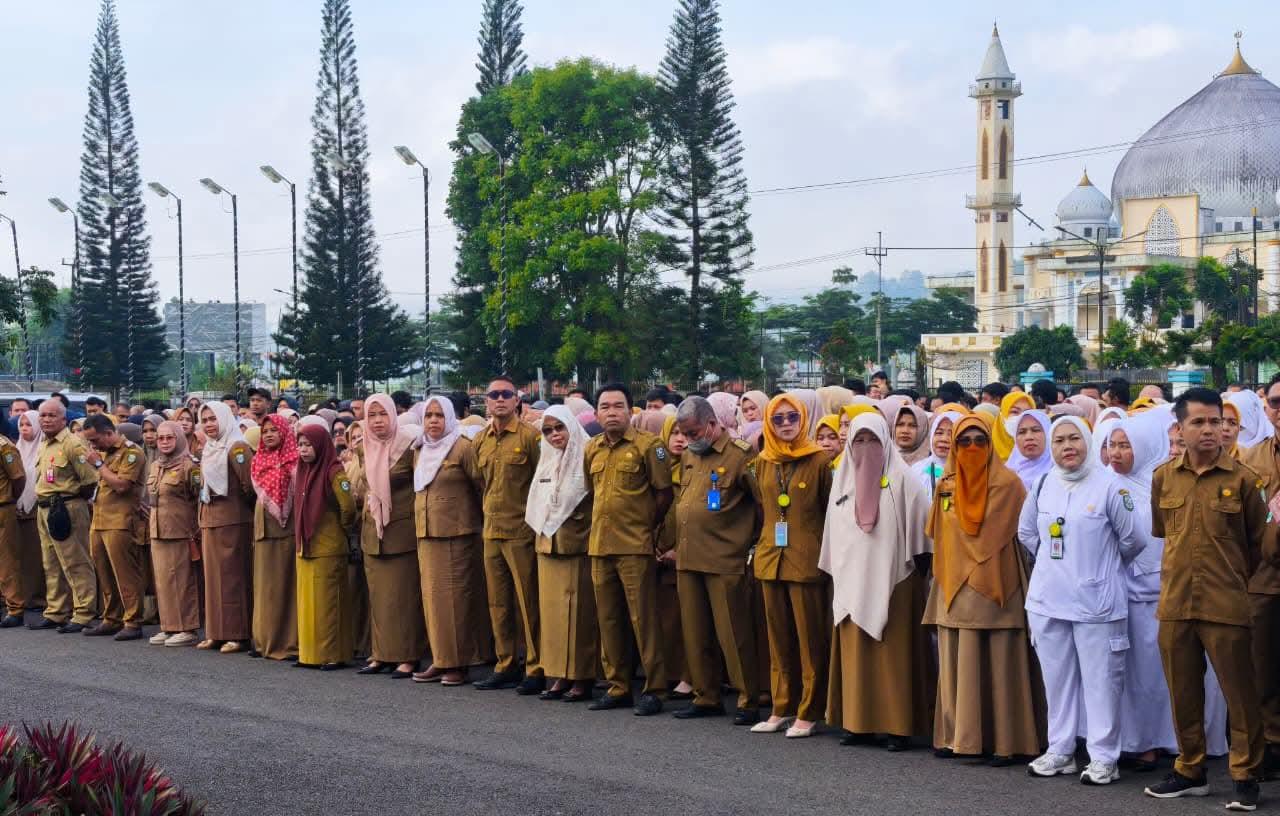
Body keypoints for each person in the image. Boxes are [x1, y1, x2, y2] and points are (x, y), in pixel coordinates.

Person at [1145, 388, 1266, 810]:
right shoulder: (1163, 477)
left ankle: (1245, 775)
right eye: (1199, 422)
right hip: (1176, 602)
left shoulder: (1245, 480)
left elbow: (1256, 544)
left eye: (1216, 421)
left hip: (1227, 602)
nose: (1210, 429)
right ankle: (1190, 769)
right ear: (1180, 428)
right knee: (1182, 691)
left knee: (1240, 694)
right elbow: (1163, 532)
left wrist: (1233, 582)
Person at [1018, 416, 1144, 785]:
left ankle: (1104, 757)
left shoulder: (1111, 487)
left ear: (1089, 441)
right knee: (1057, 681)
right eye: (1059, 441)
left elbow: (1132, 540)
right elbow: (1027, 531)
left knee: (1102, 682)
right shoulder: (1043, 484)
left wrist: (1098, 566)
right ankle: (1060, 750)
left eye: (1075, 438)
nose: (1067, 446)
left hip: (1097, 603)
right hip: (1047, 599)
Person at [925, 414, 1046, 764]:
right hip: (953, 586)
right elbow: (936, 531)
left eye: (981, 441)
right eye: (965, 442)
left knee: (1000, 663)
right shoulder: (946, 483)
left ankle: (1006, 741)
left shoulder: (1009, 484)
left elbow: (1016, 535)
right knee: (956, 663)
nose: (973, 447)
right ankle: (957, 737)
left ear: (991, 444)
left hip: (997, 587)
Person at [823, 412, 933, 750]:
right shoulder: (841, 481)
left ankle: (898, 727)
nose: (866, 447)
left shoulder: (905, 480)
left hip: (895, 583)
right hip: (851, 582)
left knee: (894, 655)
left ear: (885, 441)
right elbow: (832, 536)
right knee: (857, 654)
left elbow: (924, 536)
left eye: (873, 439)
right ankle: (859, 724)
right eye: (859, 440)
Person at [669, 396, 760, 726]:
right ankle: (705, 695)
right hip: (690, 557)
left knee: (734, 635)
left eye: (694, 432)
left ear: (711, 423)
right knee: (695, 633)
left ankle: (748, 698)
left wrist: (751, 547)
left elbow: (762, 505)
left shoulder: (741, 455)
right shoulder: (691, 457)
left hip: (725, 559)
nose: (689, 439)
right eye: (684, 433)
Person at [749, 393, 835, 737]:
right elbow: (763, 508)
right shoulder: (763, 462)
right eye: (778, 419)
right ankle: (781, 706)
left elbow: (830, 512)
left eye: (792, 418)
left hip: (806, 560)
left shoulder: (818, 461)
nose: (786, 424)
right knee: (777, 638)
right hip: (771, 558)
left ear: (803, 420)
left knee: (809, 639)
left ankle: (810, 709)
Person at [584, 383, 672, 716]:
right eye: (604, 407)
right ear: (596, 414)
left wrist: (645, 528)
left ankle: (654, 687)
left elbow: (664, 494)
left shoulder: (650, 447)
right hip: (600, 545)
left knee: (643, 619)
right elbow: (592, 492)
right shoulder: (592, 449)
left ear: (630, 410)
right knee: (608, 619)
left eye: (618, 406)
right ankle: (618, 685)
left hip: (634, 546)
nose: (611, 412)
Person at [1108, 409, 1180, 770]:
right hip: (1118, 592)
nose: (1117, 453)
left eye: (1126, 445)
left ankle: (1162, 739)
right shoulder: (1106, 484)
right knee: (1124, 673)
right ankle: (1132, 741)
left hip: (1161, 591)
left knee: (1155, 673)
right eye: (1113, 445)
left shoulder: (1165, 482)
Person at [472, 377, 544, 694]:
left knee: (528, 601)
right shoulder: (480, 440)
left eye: (506, 394)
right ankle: (505, 663)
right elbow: (479, 482)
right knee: (498, 602)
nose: (499, 399)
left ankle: (536, 665)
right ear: (486, 402)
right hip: (491, 530)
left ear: (517, 400)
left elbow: (542, 481)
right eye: (493, 395)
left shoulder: (531, 436)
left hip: (521, 531)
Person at [411, 396, 490, 686]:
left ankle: (458, 664)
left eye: (439, 415)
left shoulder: (462, 447)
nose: (433, 421)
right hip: (427, 533)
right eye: (429, 415)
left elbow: (481, 487)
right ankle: (441, 658)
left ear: (450, 418)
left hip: (456, 535)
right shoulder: (420, 448)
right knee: (433, 602)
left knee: (455, 602)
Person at [526, 405, 598, 702]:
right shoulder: (546, 459)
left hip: (576, 547)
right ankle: (558, 675)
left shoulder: (586, 456)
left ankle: (581, 678)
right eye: (548, 430)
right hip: (547, 546)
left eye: (560, 428)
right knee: (554, 617)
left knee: (579, 616)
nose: (554, 435)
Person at [357, 394, 426, 679]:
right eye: (371, 415)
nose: (377, 421)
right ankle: (382, 654)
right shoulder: (364, 446)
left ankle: (408, 656)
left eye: (382, 414)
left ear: (393, 415)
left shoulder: (410, 445)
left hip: (401, 531)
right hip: (373, 531)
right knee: (379, 599)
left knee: (404, 599)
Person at [26, 399, 99, 633]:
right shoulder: (45, 443)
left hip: (66, 507)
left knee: (75, 561)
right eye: (43, 416)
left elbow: (89, 480)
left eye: (51, 416)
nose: (46, 420)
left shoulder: (73, 444)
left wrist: (71, 502)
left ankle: (84, 612)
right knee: (51, 563)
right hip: (44, 507)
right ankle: (57, 611)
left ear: (63, 419)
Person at [1239, 376, 1280, 778]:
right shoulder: (1252, 459)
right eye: (1276, 402)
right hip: (1265, 579)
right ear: (1266, 407)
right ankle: (1272, 743)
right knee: (1263, 666)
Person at [293, 422, 357, 670]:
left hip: (328, 548)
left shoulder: (334, 471)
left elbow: (348, 506)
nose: (303, 450)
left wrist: (341, 529)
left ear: (320, 445)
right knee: (308, 604)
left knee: (328, 604)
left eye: (308, 444)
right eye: (300, 445)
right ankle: (309, 654)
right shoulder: (303, 470)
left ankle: (331, 655)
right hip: (306, 546)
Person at [78, 414, 147, 640]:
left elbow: (122, 486)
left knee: (125, 574)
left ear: (109, 433)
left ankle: (133, 621)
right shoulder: (107, 453)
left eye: (95, 440)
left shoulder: (131, 452)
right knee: (105, 574)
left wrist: (98, 464)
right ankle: (111, 618)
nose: (92, 445)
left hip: (121, 522)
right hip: (99, 520)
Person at [195, 401, 255, 653]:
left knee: (233, 578)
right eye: (205, 420)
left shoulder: (237, 446)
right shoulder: (210, 448)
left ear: (225, 419)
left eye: (213, 419)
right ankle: (217, 632)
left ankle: (238, 633)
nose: (209, 425)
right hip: (211, 520)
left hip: (233, 520)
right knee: (213, 579)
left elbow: (249, 486)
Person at [145, 421, 202, 647]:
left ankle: (186, 628)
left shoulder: (190, 466)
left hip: (180, 531)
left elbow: (199, 498)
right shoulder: (156, 466)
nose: (165, 442)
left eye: (170, 438)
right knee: (163, 581)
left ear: (179, 438)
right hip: (158, 530)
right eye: (161, 438)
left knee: (181, 581)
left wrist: (195, 530)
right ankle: (168, 626)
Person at [248, 414, 299, 661]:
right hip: (263, 531)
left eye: (273, 431)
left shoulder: (294, 461)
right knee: (264, 587)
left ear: (284, 433)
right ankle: (263, 640)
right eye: (265, 431)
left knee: (285, 587)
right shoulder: (258, 460)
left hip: (286, 532)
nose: (268, 435)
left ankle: (286, 642)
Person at [657, 414, 692, 699]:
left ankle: (688, 676)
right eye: (674, 433)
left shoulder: (696, 467)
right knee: (666, 619)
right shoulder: (658, 468)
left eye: (685, 433)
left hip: (688, 553)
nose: (680, 439)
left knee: (688, 621)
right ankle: (667, 673)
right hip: (658, 553)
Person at [14, 410, 45, 615]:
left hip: (37, 509)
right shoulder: (15, 448)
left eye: (29, 424)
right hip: (17, 509)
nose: (25, 428)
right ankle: (22, 596)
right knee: (19, 556)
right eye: (22, 424)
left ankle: (39, 597)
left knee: (37, 556)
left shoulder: (44, 449)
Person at [0, 417, 29, 627]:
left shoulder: (5, 447)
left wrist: (11, 499)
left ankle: (15, 608)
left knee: (6, 560)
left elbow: (18, 478)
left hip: (2, 508)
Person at [913, 410, 962, 497]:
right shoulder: (917, 469)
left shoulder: (966, 474)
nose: (944, 439)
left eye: (952, 434)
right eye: (939, 432)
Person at [1005, 410, 1052, 490]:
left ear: (1048, 434)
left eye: (1036, 430)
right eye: (1022, 432)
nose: (1029, 437)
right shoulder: (1006, 474)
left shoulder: (1061, 473)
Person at [882, 401, 930, 465]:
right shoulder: (883, 459)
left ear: (923, 430)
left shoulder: (932, 467)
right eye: (900, 424)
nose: (905, 431)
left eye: (913, 426)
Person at [994, 391, 1034, 461]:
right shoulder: (988, 454)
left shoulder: (1043, 453)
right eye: (1014, 412)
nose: (1021, 416)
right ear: (1002, 416)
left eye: (1027, 412)